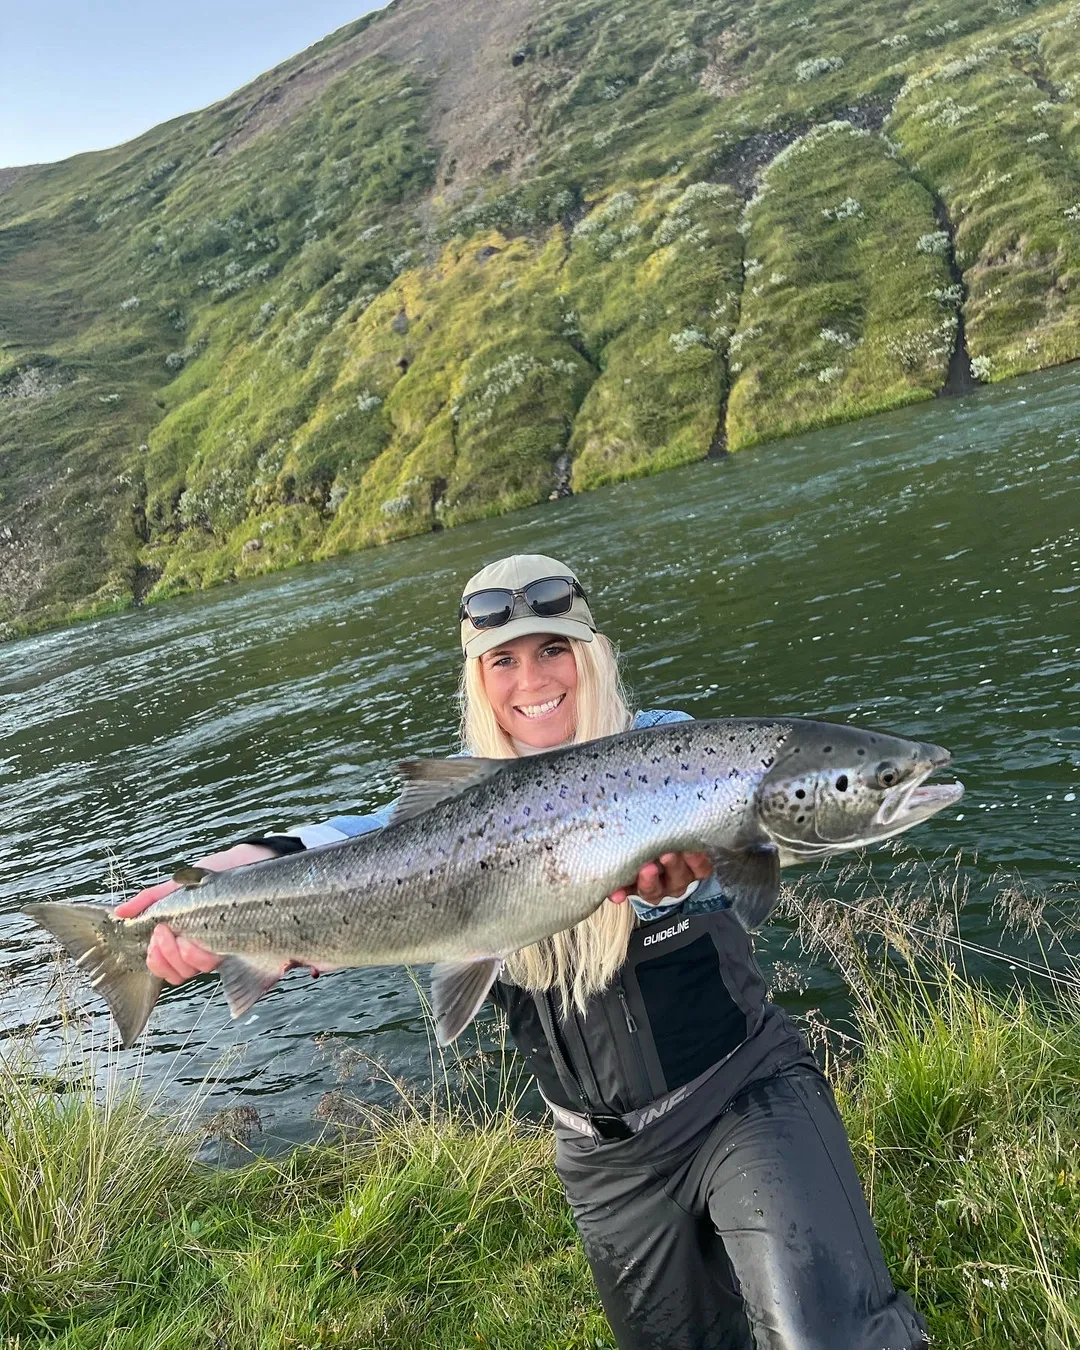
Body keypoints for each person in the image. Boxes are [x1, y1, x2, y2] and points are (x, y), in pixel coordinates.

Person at [116, 553, 928, 1350]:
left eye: (552, 649)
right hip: (604, 1164)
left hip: (742, 1099)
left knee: (829, 1336)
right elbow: (352, 843)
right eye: (503, 660)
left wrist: (681, 885)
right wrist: (229, 875)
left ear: (591, 654)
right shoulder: (462, 802)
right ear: (478, 678)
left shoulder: (672, 748)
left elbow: (732, 874)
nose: (532, 679)